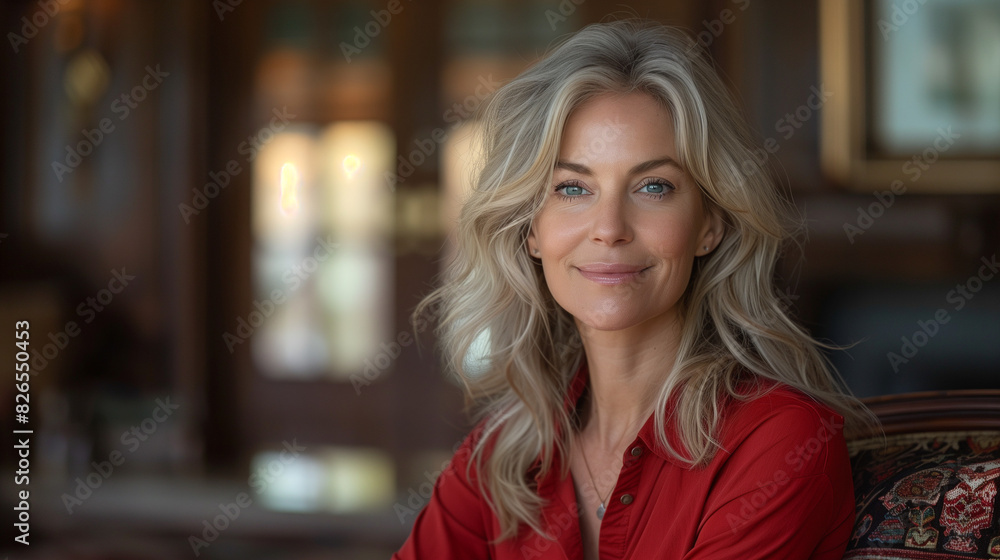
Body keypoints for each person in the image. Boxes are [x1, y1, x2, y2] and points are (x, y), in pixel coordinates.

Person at [393, 18, 873, 560]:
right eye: (573, 188)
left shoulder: (778, 441)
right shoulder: (501, 459)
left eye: (653, 186)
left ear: (709, 223)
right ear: (531, 229)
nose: (609, 227)